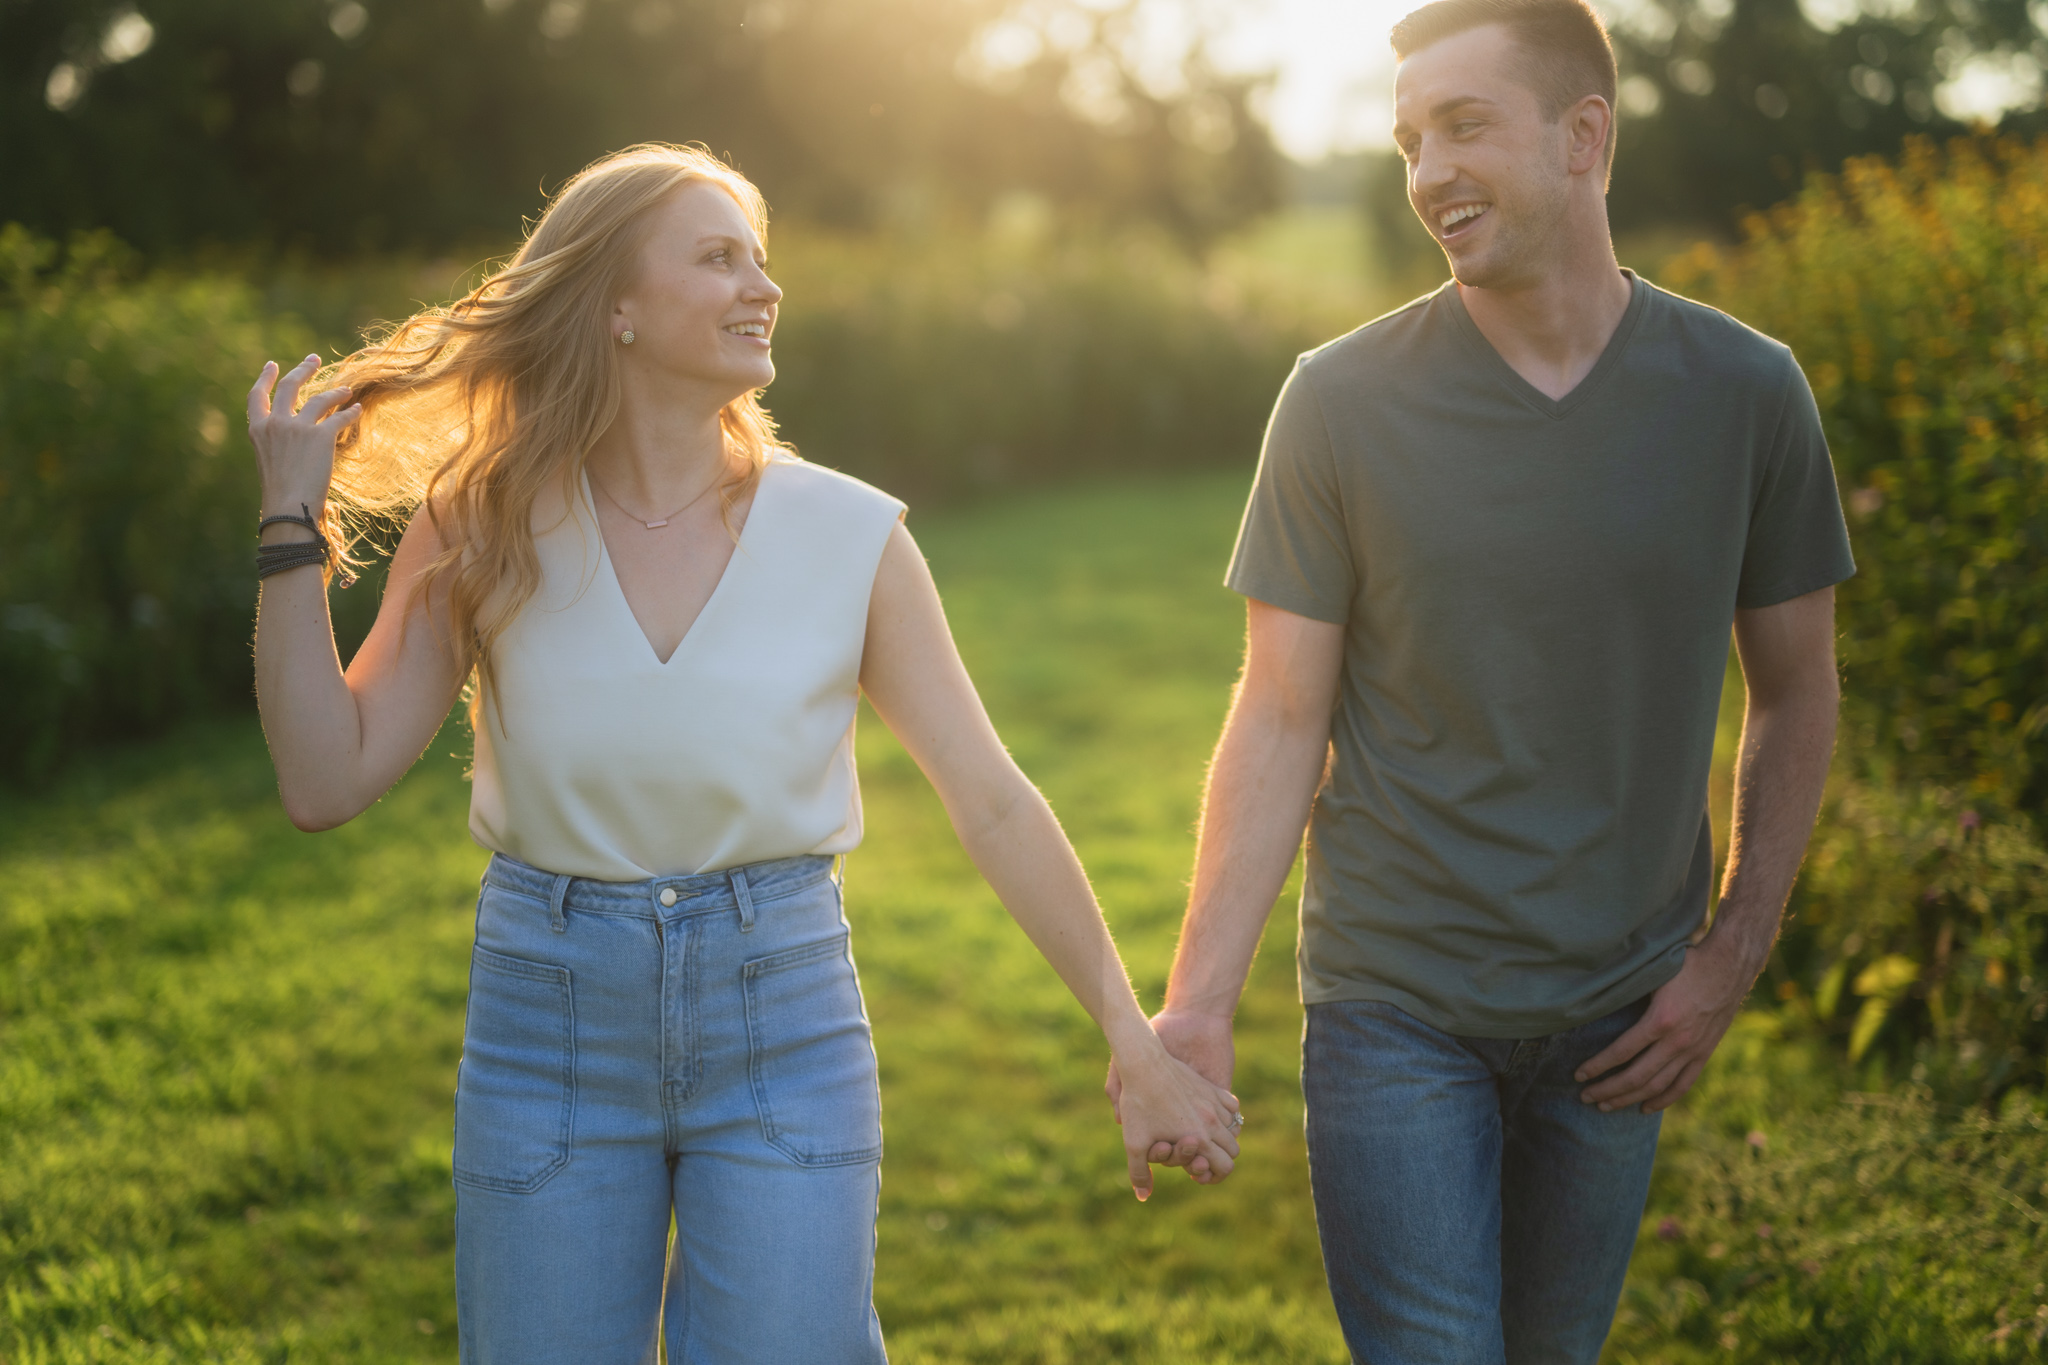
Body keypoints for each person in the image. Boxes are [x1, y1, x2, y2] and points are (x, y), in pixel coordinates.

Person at [244, 142, 1240, 1363]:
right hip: (545, 1027)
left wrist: (1128, 1039)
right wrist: (290, 524)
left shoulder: (850, 534)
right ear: (613, 303)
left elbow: (987, 798)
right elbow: (323, 776)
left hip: (785, 1021)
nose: (761, 286)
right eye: (718, 259)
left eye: (760, 259)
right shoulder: (484, 519)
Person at [1107, 1, 1854, 1359]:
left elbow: (1797, 690)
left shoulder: (1746, 393)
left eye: (1464, 126)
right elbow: (1280, 712)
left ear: (1585, 139)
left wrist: (1732, 954)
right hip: (1397, 997)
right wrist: (1197, 1006)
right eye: (1406, 140)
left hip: (1622, 1011)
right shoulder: (1338, 401)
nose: (1427, 172)